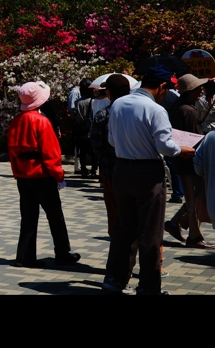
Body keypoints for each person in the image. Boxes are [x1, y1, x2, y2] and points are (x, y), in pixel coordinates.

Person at [102, 66, 196, 295]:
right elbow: (164, 145)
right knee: (150, 232)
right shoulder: (155, 109)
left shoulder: (118, 104)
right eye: (167, 89)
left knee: (124, 228)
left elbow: (112, 141)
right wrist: (180, 149)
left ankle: (115, 280)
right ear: (161, 86)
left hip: (122, 170)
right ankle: (148, 287)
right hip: (147, 173)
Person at [7, 82, 81, 268]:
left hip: (23, 176)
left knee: (28, 217)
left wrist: (17, 172)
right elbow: (51, 153)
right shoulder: (41, 121)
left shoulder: (17, 120)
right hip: (42, 176)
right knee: (55, 216)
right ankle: (62, 254)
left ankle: (24, 256)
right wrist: (59, 175)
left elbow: (12, 151)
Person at [165, 74, 213, 248]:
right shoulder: (188, 110)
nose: (200, 92)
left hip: (183, 160)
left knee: (193, 198)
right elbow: (195, 139)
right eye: (197, 89)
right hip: (190, 161)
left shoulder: (180, 107)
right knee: (194, 199)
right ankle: (194, 235)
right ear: (190, 91)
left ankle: (179, 225)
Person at [90, 75, 132, 238]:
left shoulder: (103, 115)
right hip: (137, 170)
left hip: (110, 169)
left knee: (115, 213)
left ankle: (118, 253)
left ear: (108, 93)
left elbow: (96, 145)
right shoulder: (138, 112)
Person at [72, 80, 97, 178]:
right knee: (94, 151)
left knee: (82, 150)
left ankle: (83, 169)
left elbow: (76, 116)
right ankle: (94, 170)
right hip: (92, 128)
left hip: (81, 128)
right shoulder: (94, 101)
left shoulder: (78, 102)